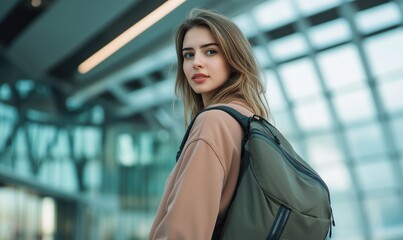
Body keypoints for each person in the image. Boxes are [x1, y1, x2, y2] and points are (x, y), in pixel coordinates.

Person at [148, 8, 270, 240]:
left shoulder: (213, 122)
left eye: (211, 52)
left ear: (234, 59)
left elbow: (184, 233)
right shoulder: (250, 121)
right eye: (188, 55)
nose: (197, 63)